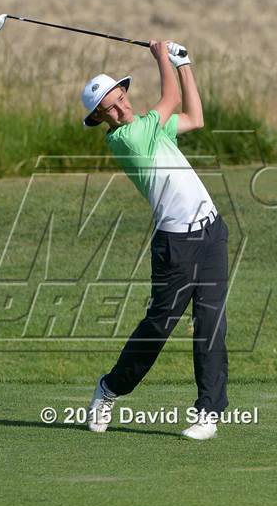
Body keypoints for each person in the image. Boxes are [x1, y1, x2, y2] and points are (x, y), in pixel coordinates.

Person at [80, 41, 229, 440]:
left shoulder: (149, 126)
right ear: (99, 118)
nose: (120, 109)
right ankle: (109, 389)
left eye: (121, 99)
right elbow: (170, 98)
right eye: (109, 109)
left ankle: (208, 415)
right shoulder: (127, 140)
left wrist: (185, 63)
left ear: (127, 94)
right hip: (176, 245)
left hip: (212, 233)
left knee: (211, 325)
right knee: (159, 326)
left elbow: (194, 117)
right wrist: (161, 55)